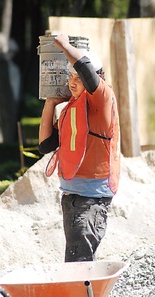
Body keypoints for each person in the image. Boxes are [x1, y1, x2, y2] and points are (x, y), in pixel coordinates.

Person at [38, 34, 121, 262]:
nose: (72, 82)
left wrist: (64, 45)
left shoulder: (102, 98)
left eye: (78, 78)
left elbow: (86, 69)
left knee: (79, 263)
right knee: (76, 259)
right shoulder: (73, 108)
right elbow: (45, 145)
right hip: (73, 196)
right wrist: (50, 104)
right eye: (70, 77)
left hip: (91, 198)